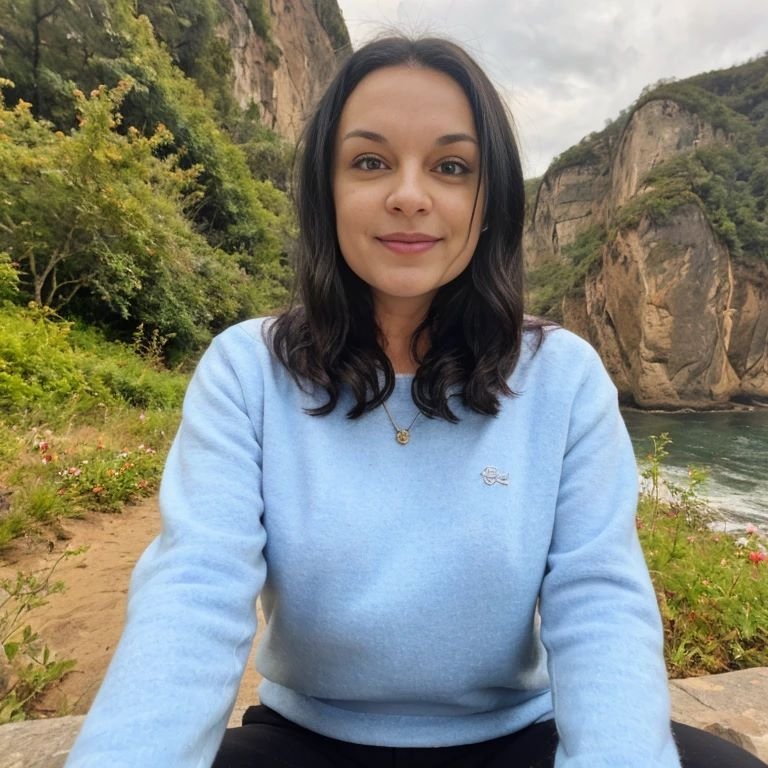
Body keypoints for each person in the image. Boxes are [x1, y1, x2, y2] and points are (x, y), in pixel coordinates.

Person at [65, 36, 767, 768]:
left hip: (513, 740)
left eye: (451, 167)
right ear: (325, 190)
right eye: (370, 162)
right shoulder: (248, 370)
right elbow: (194, 589)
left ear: (489, 203)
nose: (409, 195)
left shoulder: (562, 376)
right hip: (308, 742)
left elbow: (599, 599)